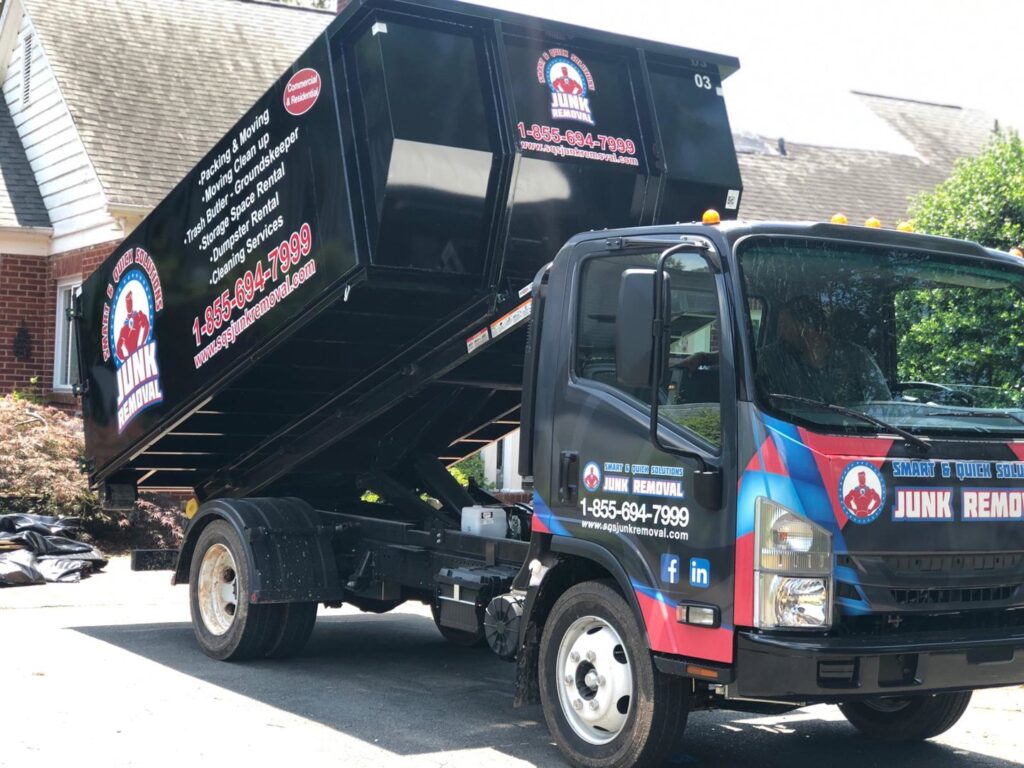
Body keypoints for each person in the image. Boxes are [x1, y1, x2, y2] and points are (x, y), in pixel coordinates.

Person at [757, 296, 890, 405]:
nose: (780, 334)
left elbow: (882, 405)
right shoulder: (773, 358)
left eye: (785, 327)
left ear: (805, 328)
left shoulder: (856, 357)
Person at [116, 290, 150, 362]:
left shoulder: (138, 317)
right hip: (133, 354)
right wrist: (124, 358)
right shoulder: (124, 331)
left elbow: (146, 324)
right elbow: (118, 347)